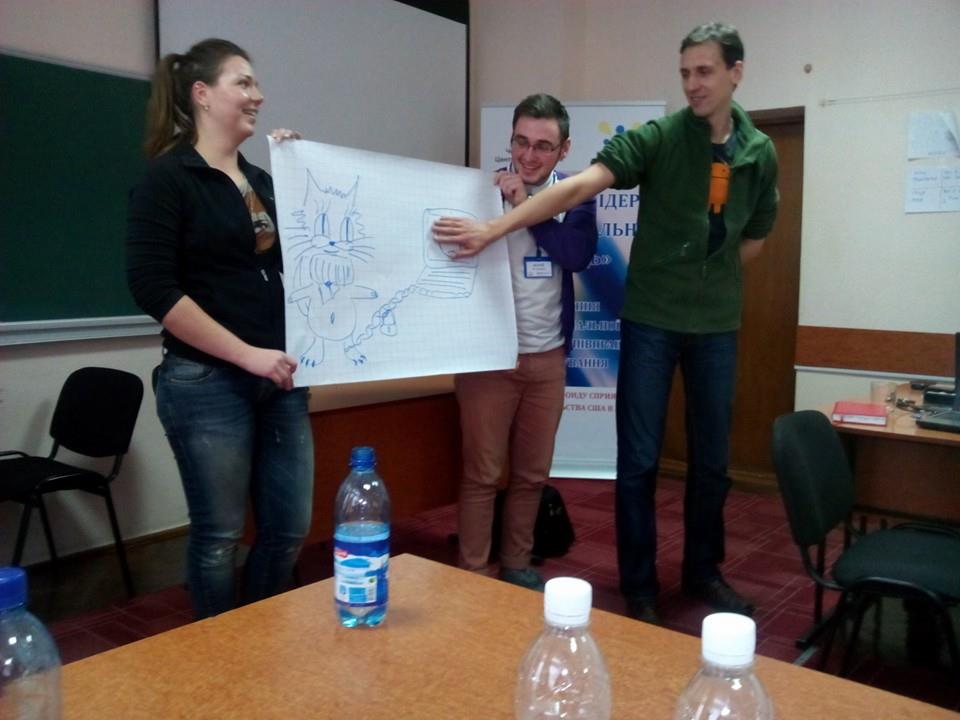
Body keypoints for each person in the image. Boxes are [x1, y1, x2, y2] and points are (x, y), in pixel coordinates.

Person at [434, 23, 778, 622]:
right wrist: (494, 223)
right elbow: (583, 186)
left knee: (710, 462)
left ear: (735, 73)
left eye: (704, 71)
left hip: (706, 326)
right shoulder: (658, 138)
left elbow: (756, 236)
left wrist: (708, 278)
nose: (692, 84)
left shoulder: (760, 154)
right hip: (633, 323)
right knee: (632, 462)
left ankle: (702, 571)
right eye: (685, 72)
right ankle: (637, 587)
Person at [127, 38, 312, 618]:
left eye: (256, 84)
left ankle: (257, 640)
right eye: (243, 83)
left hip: (279, 380)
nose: (258, 95)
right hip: (206, 383)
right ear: (202, 94)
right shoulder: (169, 179)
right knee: (219, 537)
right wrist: (245, 354)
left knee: (288, 528)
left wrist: (304, 172)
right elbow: (153, 288)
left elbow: (309, 259)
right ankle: (218, 653)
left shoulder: (263, 180)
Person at [455, 94, 598, 590]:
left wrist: (526, 207)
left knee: (532, 475)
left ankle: (516, 563)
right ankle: (474, 572)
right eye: (521, 142)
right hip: (488, 360)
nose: (529, 155)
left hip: (547, 360)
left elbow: (575, 255)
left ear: (564, 150)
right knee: (482, 474)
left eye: (543, 146)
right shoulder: (479, 193)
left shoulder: (576, 196)